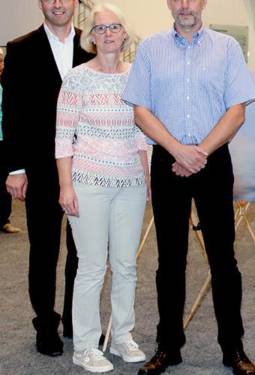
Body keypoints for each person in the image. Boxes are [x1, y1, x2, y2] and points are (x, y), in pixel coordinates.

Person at [121, 0, 255, 374]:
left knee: (223, 260)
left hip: (213, 161)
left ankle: (233, 348)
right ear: (169, 3)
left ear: (203, 3)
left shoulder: (226, 47)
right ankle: (168, 347)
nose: (184, 5)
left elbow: (237, 110)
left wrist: (199, 152)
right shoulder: (150, 48)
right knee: (169, 261)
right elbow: (140, 111)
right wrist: (178, 151)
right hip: (168, 161)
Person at [54, 3, 149, 372]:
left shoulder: (138, 76)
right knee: (92, 267)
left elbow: (143, 135)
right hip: (88, 183)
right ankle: (85, 346)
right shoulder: (76, 78)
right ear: (90, 37)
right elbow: (63, 137)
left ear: (124, 34)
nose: (107, 34)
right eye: (100, 29)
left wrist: (148, 181)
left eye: (114, 27)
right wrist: (66, 186)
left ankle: (122, 336)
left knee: (126, 265)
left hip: (131, 183)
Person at [1, 0, 94, 357]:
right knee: (43, 251)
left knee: (82, 249)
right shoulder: (21, 48)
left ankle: (75, 317)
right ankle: (45, 323)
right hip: (40, 169)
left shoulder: (91, 45)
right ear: (41, 3)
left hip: (86, 166)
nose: (57, 3)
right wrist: (15, 167)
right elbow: (12, 111)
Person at [0, 48, 21, 234]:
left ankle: (3, 220)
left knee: (4, 182)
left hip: (4, 141)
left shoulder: (6, 84)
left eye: (0, 61)